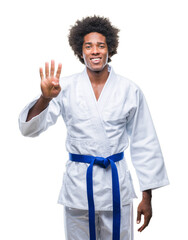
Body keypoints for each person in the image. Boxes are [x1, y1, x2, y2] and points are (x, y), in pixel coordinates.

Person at [18, 16, 169, 240]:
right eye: (89, 46)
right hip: (79, 187)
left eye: (101, 45)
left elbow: (144, 141)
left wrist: (147, 197)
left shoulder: (129, 90)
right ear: (81, 51)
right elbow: (29, 129)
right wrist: (45, 98)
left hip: (116, 189)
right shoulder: (63, 87)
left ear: (110, 49)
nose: (95, 51)